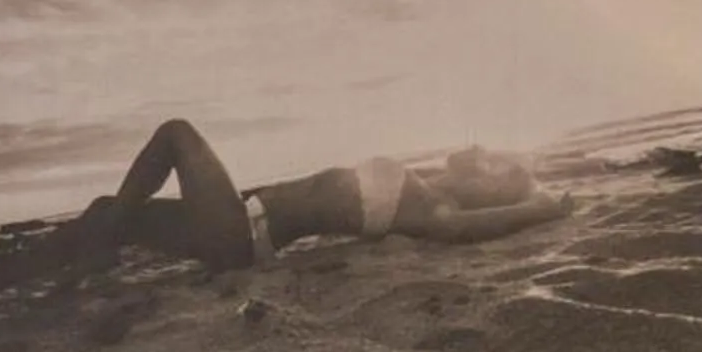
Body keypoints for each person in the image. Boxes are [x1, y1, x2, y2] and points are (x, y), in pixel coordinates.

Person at [54, 118, 559, 277]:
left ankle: (101, 249)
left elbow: (463, 229)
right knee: (106, 209)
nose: (483, 154)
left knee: (176, 134)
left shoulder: (430, 208)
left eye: (498, 168)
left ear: (489, 192)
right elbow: (467, 161)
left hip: (240, 237)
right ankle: (32, 272)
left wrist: (541, 208)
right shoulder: (427, 183)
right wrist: (482, 159)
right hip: (239, 221)